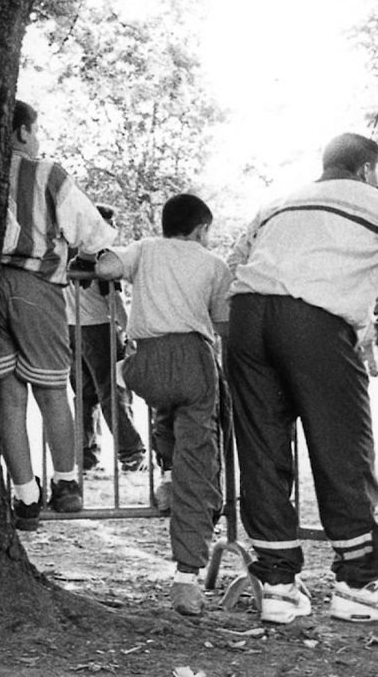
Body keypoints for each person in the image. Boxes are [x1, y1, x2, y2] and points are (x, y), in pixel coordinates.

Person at [224, 132, 378, 626]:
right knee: (341, 447)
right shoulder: (375, 199)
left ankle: (277, 584)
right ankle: (357, 584)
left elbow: (238, 258)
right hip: (313, 320)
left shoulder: (279, 202)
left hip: (247, 316)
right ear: (367, 170)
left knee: (262, 450)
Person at [94, 194, 230, 617]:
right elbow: (222, 322)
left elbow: (106, 268)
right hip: (191, 358)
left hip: (146, 362)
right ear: (202, 230)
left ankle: (167, 476)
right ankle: (187, 577)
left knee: (164, 412)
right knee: (200, 458)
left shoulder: (146, 248)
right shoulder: (213, 263)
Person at [0, 100, 116, 532]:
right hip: (37, 285)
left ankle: (24, 494)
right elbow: (91, 231)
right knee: (51, 389)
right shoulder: (46, 173)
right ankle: (66, 481)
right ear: (23, 132)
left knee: (8, 395)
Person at [72, 205, 145, 474]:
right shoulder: (102, 258)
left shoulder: (69, 253)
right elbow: (114, 302)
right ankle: (131, 453)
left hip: (71, 328)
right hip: (99, 328)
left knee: (84, 394)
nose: (113, 229)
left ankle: (86, 455)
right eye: (109, 223)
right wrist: (132, 331)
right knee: (114, 392)